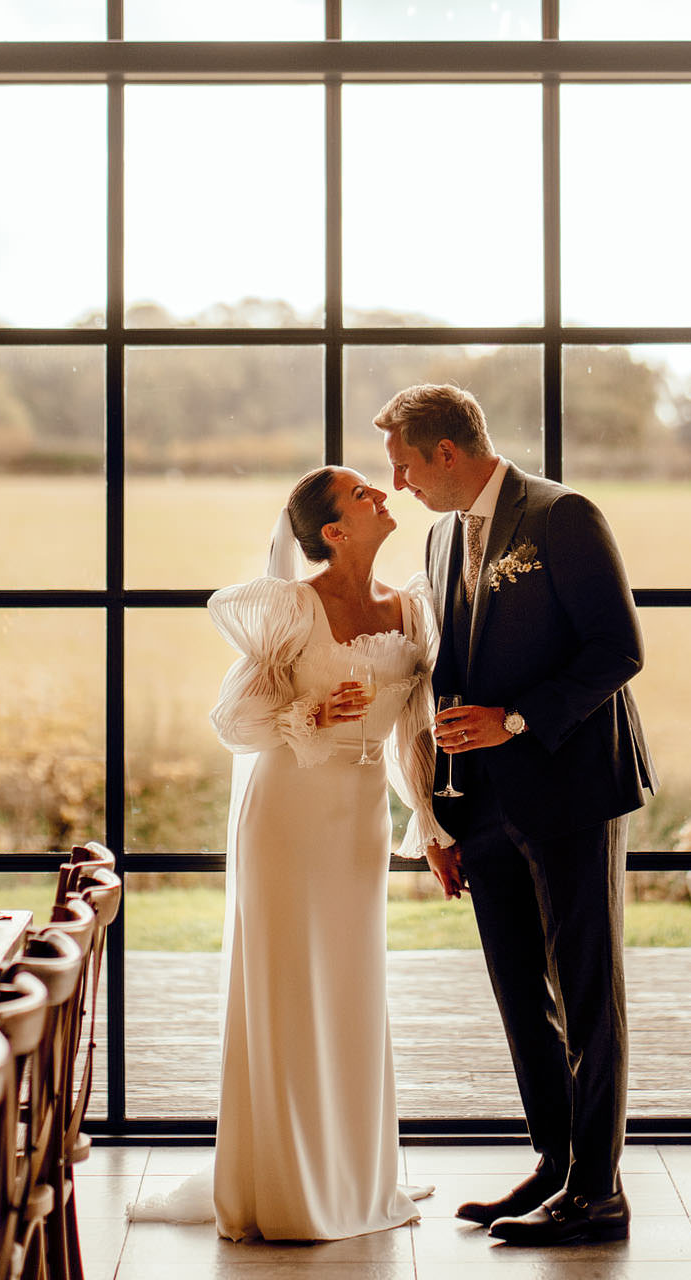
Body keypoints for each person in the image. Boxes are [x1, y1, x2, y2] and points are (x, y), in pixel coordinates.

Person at [128, 464, 448, 1242]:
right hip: (285, 812)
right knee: (286, 985)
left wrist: (431, 827)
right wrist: (309, 712)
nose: (381, 495)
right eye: (362, 494)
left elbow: (415, 731)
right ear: (334, 531)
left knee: (350, 986)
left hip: (359, 819)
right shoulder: (290, 607)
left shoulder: (412, 607)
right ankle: (284, 1184)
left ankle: (351, 1174)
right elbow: (233, 722)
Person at [374, 382, 657, 1248]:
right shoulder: (438, 536)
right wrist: (438, 817)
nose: (398, 485)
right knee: (518, 994)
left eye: (405, 466)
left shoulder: (561, 515)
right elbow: (449, 676)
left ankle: (597, 1192)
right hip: (481, 805)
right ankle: (553, 1161)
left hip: (572, 789)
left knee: (585, 992)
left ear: (446, 453)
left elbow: (618, 649)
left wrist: (520, 719)